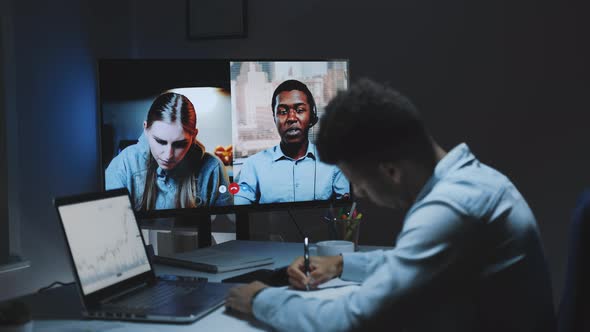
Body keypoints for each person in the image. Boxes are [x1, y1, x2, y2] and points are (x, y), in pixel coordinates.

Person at [225, 79, 556, 331]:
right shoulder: (472, 180)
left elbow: (350, 320)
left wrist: (259, 299)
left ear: (391, 171)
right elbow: (410, 260)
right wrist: (340, 264)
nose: (360, 193)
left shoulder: (451, 209)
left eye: (359, 181)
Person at [105, 92, 232, 210]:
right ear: (145, 129)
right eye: (160, 141)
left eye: (180, 144)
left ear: (194, 136)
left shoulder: (212, 169)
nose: (168, 155)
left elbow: (226, 225)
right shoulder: (122, 167)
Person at [234, 79, 350, 204]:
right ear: (274, 118)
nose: (291, 118)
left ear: (312, 115)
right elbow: (239, 212)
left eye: (299, 110)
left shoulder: (333, 162)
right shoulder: (253, 165)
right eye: (283, 112)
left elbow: (347, 212)